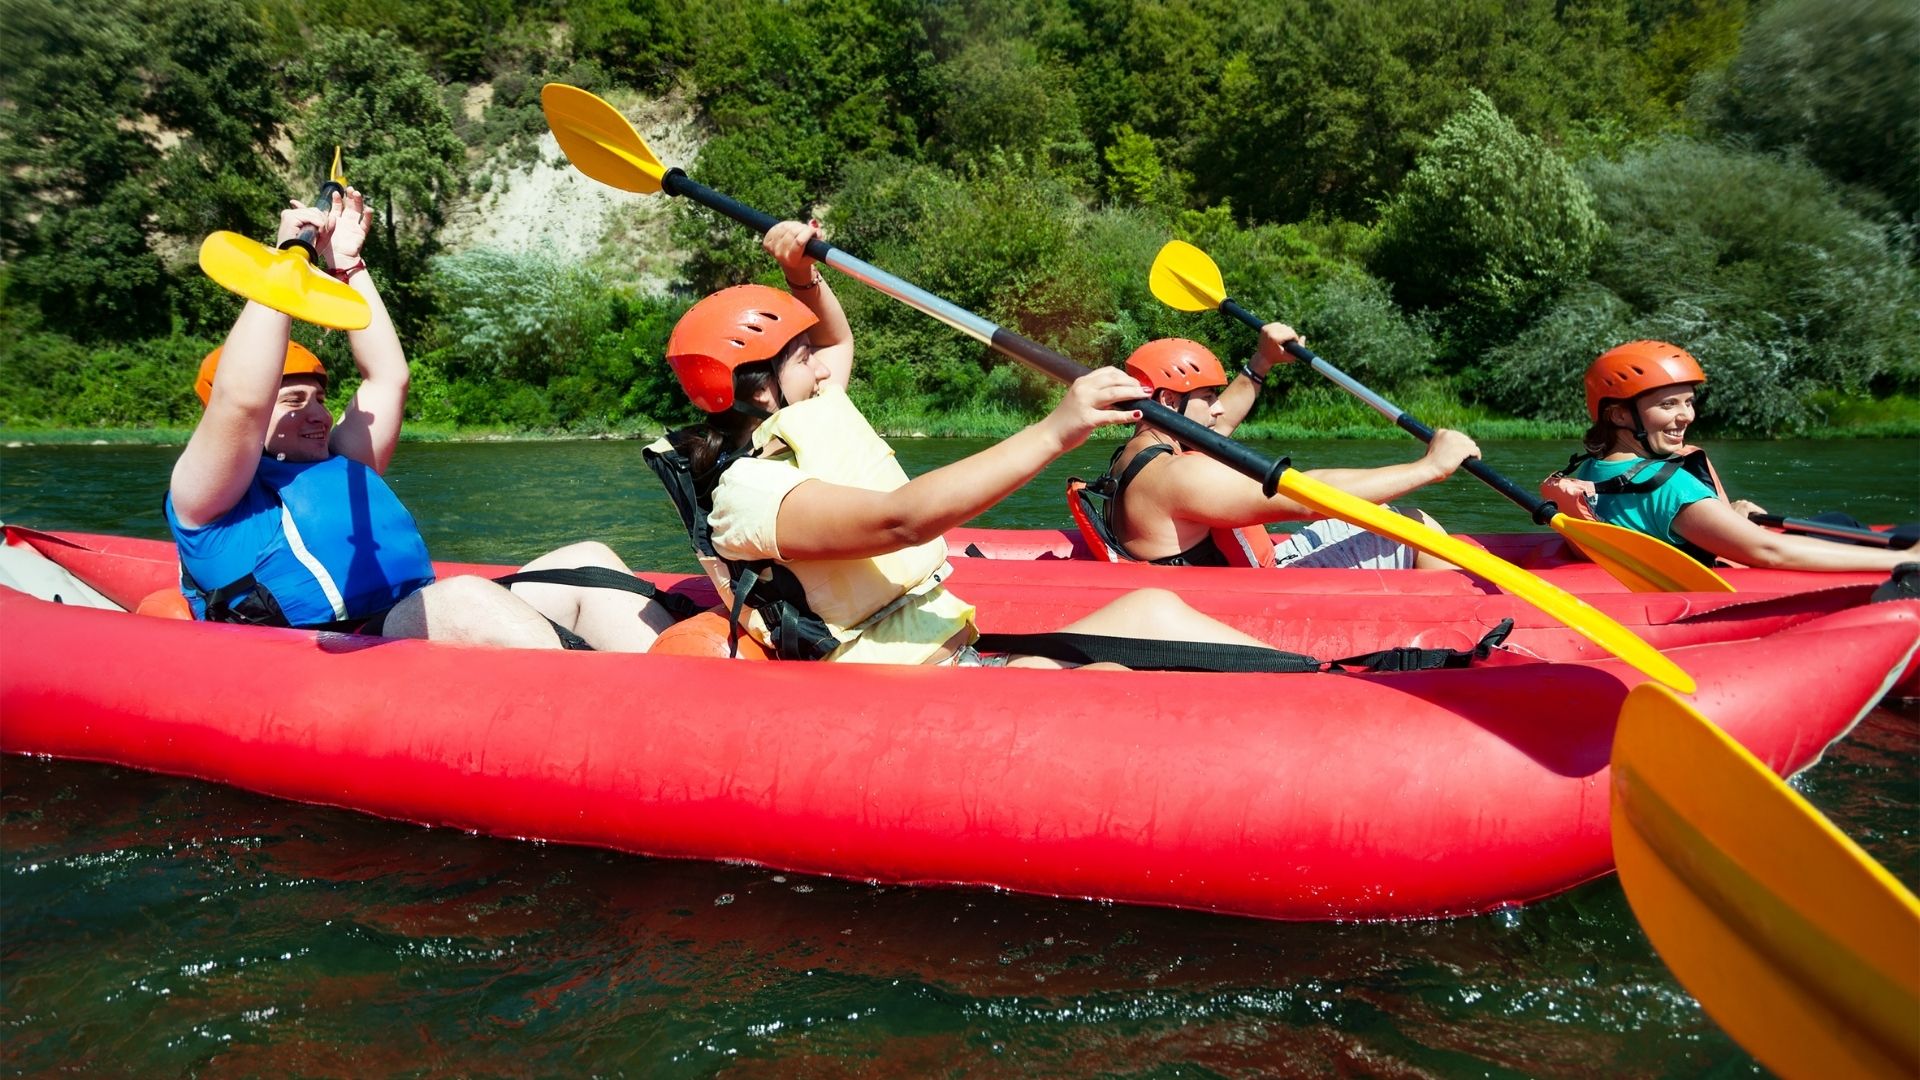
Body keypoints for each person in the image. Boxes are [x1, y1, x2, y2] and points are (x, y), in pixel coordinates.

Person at [641, 220, 1309, 669]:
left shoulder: (810, 415)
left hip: (957, 650)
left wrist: (801, 274)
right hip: (910, 689)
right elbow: (900, 519)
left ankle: (1316, 685)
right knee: (1099, 675)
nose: (824, 368)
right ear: (760, 392)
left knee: (1153, 608)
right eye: (802, 359)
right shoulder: (750, 493)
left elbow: (838, 342)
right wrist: (1057, 429)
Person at [166, 189, 678, 649]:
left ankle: (687, 687)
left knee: (586, 560)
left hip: (411, 622)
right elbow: (242, 402)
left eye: (320, 398)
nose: (318, 413)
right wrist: (287, 258)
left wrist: (348, 265)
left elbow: (387, 378)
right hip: (335, 647)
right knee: (466, 600)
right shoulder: (206, 498)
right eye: (295, 401)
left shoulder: (345, 463)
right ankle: (608, 717)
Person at [1089, 335, 1481, 569]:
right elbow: (1307, 497)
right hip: (1263, 593)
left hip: (1257, 571)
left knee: (1389, 516)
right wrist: (1430, 467)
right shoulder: (1180, 477)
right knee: (1417, 530)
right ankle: (1452, 647)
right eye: (1209, 397)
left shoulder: (1140, 452)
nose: (1219, 407)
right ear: (1169, 400)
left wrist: (1262, 360)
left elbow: (1218, 426)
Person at [1539, 339, 1915, 573]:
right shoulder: (1670, 487)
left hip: (1694, 541)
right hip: (1734, 569)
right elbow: (1769, 551)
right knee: (1869, 529)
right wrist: (1906, 560)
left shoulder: (1588, 470)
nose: (1686, 415)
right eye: (1667, 404)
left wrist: (1725, 516)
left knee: (1837, 520)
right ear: (1619, 414)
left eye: (1688, 401)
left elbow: (1656, 522)